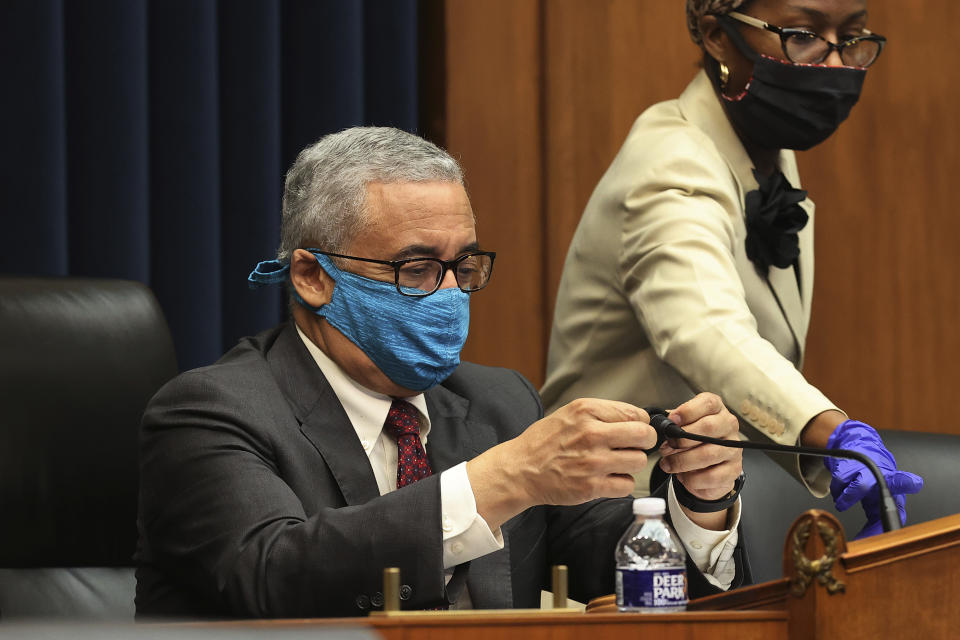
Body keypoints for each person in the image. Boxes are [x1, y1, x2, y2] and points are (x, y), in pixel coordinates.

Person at [134, 127, 748, 619]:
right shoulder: (209, 413)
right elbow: (273, 577)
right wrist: (503, 479)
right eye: (417, 267)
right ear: (312, 277)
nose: (451, 293)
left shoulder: (499, 402)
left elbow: (627, 580)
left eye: (464, 265)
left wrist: (701, 503)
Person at [541, 0, 922, 540]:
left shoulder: (762, 148)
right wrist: (829, 429)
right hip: (610, 515)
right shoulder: (671, 161)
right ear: (718, 36)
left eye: (852, 36)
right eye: (803, 34)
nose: (836, 63)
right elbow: (703, 327)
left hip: (703, 502)